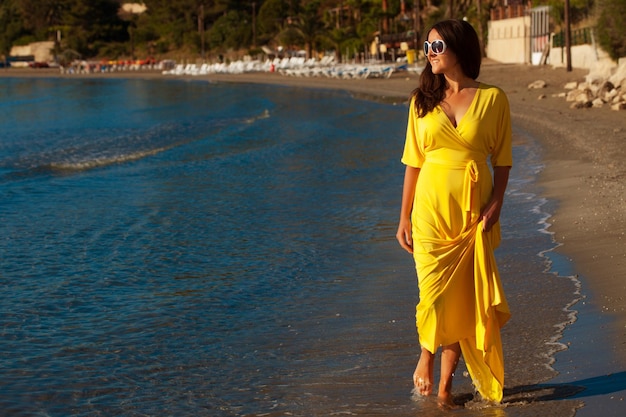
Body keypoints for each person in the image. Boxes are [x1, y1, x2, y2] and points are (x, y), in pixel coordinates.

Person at [395, 19, 512, 408]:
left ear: (459, 49)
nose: (429, 54)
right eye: (426, 47)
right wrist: (403, 217)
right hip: (429, 212)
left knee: (464, 299)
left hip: (472, 212)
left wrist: (496, 203)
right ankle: (426, 355)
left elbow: (504, 161)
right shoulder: (421, 102)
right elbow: (413, 163)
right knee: (433, 294)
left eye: (437, 46)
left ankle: (445, 388)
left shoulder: (493, 99)